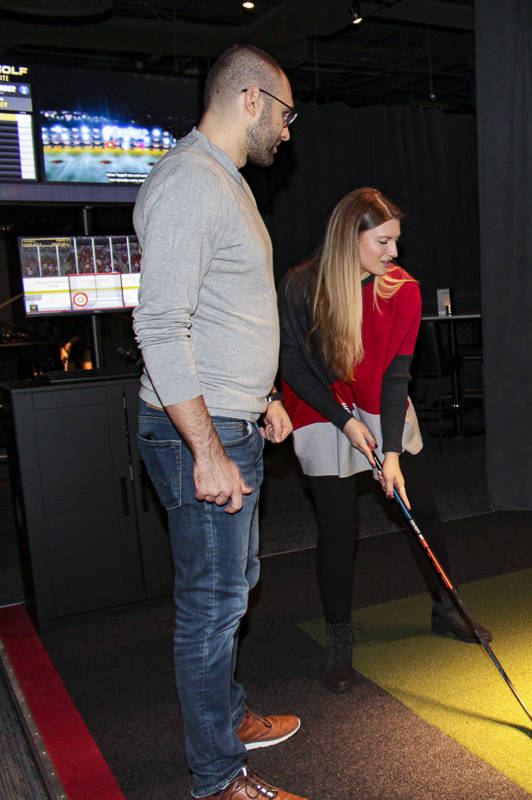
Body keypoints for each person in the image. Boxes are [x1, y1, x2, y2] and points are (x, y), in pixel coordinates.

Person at [131, 44, 308, 800]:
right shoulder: (190, 184)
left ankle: (227, 719)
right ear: (250, 98)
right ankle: (217, 780)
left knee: (236, 588)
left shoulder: (222, 183)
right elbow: (161, 327)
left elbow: (219, 316)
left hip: (232, 420)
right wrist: (206, 449)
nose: (288, 132)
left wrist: (262, 394)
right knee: (210, 611)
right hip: (196, 436)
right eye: (286, 113)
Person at [277, 187, 488, 694]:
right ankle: (338, 634)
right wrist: (345, 424)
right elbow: (294, 366)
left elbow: (396, 378)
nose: (394, 253)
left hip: (380, 404)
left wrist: (389, 452)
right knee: (337, 526)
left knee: (421, 509)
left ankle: (447, 606)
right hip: (320, 408)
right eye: (384, 241)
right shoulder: (302, 286)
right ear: (350, 237)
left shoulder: (403, 291)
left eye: (396, 242)